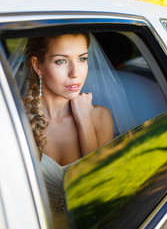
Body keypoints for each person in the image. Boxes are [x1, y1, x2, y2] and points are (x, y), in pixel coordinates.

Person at [23, 33, 114, 227]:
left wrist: (85, 123)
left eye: (82, 59)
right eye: (61, 61)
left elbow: (98, 194)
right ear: (38, 66)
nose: (75, 73)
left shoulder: (100, 118)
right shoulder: (17, 119)